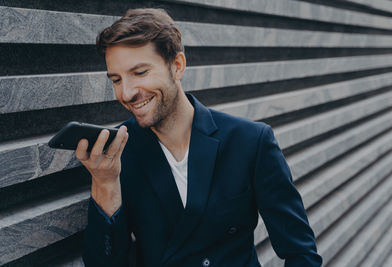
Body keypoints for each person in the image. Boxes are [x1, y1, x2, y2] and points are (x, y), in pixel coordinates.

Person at [76, 8, 322, 267]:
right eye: (116, 79)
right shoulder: (117, 153)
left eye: (140, 73)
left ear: (177, 66)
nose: (126, 93)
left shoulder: (250, 141)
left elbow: (301, 252)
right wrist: (105, 184)